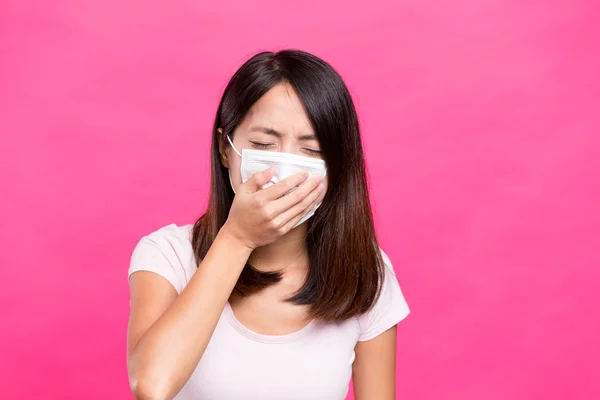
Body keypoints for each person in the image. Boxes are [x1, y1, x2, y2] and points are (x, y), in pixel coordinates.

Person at [126, 50, 410, 400]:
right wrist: (238, 238)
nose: (286, 166)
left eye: (312, 151)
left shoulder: (365, 272)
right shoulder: (168, 256)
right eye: (263, 144)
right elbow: (151, 385)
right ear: (225, 148)